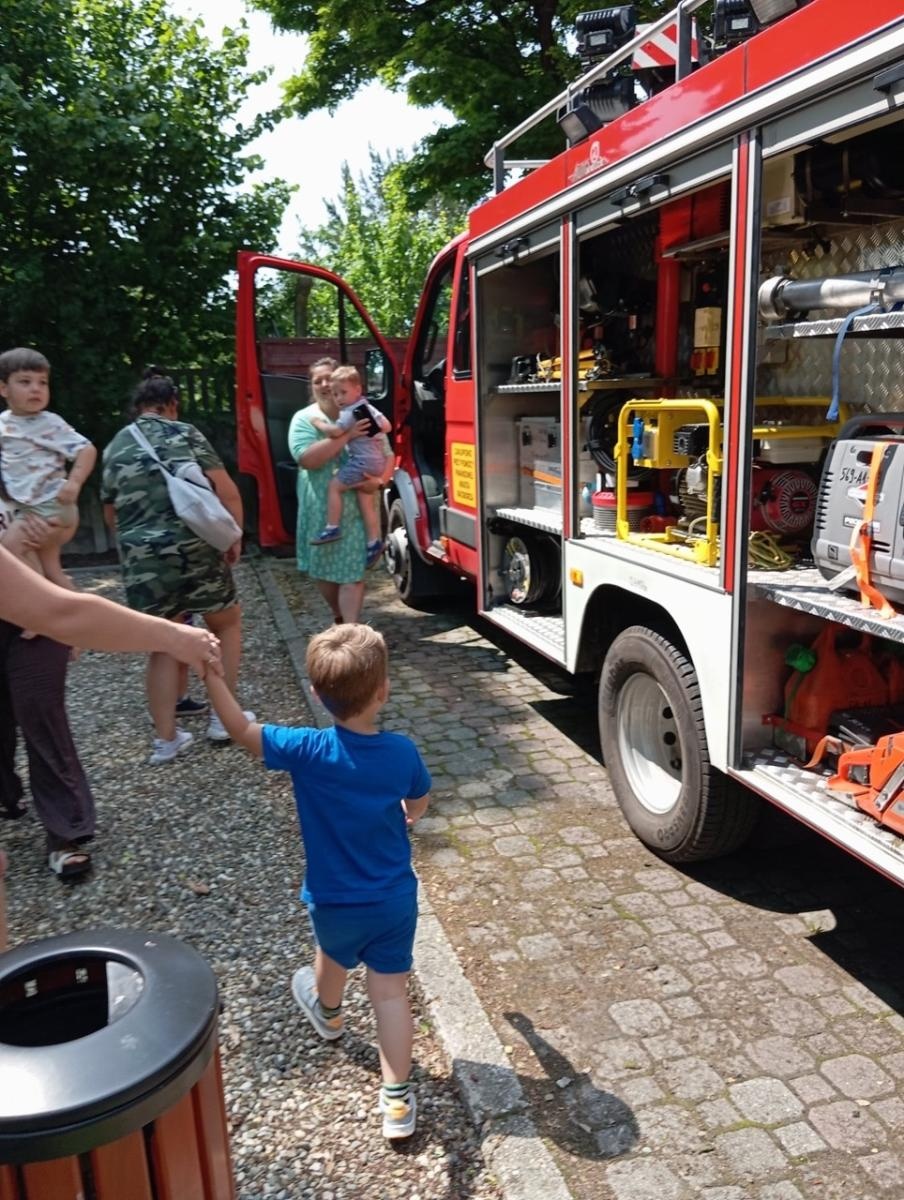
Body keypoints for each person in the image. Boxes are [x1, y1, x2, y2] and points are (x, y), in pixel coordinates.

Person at [203, 623, 431, 1140]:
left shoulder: (305, 749)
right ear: (383, 691)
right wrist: (408, 812)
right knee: (390, 995)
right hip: (394, 899)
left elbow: (240, 729)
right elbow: (419, 799)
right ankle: (396, 1103)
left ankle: (328, 1013)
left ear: (316, 693)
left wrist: (212, 675)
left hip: (332, 899)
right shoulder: (402, 753)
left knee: (331, 955)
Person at [102, 374, 250, 764]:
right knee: (226, 624)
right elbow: (226, 490)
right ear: (172, 403)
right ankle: (224, 719)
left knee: (164, 642)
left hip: (142, 560)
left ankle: (166, 740)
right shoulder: (185, 433)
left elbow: (110, 512)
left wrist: (140, 551)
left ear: (138, 407)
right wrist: (233, 538)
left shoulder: (115, 445)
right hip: (195, 549)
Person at [289, 358, 393, 625]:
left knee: (352, 576)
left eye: (329, 379)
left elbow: (388, 452)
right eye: (317, 381)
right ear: (311, 387)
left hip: (359, 510)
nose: (325, 385)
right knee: (322, 572)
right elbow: (308, 459)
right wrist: (347, 436)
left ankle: (350, 629)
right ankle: (339, 617)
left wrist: (380, 481)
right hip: (321, 511)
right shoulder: (304, 419)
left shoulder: (363, 411)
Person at [0, 347, 96, 589]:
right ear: (3, 389)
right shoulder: (3, 424)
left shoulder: (49, 423)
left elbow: (86, 450)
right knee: (53, 572)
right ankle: (79, 620)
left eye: (42, 382)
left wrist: (74, 483)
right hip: (29, 507)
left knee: (11, 549)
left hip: (49, 504)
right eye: (25, 382)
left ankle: (42, 613)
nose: (36, 388)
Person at [309, 365, 392, 568]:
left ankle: (332, 526)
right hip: (377, 462)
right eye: (336, 394)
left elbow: (336, 432)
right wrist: (375, 429)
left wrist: (318, 423)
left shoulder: (349, 412)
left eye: (343, 392)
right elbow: (388, 426)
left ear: (358, 389)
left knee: (334, 487)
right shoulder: (367, 408)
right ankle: (374, 543)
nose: (339, 398)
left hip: (363, 461)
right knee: (366, 502)